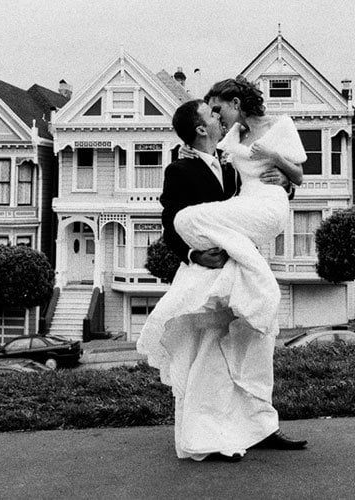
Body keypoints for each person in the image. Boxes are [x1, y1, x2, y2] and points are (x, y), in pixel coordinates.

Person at [137, 77, 308, 461]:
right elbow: (171, 222)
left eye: (219, 110)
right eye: (211, 114)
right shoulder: (179, 171)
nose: (218, 118)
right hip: (207, 270)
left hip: (240, 266)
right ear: (201, 128)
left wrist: (284, 180)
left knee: (254, 342)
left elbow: (263, 188)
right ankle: (204, 433)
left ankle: (262, 427)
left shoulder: (232, 161)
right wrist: (194, 256)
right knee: (208, 349)